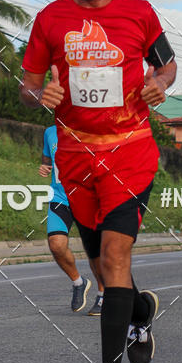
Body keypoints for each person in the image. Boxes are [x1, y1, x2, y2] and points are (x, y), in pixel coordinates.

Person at [20, 0, 177, 363]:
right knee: (104, 266)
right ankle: (139, 312)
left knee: (114, 258)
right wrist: (37, 93)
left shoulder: (140, 13)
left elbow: (167, 63)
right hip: (74, 154)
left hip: (129, 150)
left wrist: (161, 83)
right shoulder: (49, 20)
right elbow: (27, 84)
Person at [40, 123, 105, 313]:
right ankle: (79, 282)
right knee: (56, 244)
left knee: (94, 250)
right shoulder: (49, 132)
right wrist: (45, 166)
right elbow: (46, 157)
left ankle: (103, 295)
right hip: (61, 198)